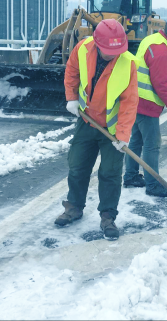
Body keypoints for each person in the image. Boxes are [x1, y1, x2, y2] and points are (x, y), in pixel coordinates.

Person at [55, 19, 138, 241]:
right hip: (86, 120)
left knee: (110, 173)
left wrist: (122, 136)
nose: (113, 55)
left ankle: (108, 216)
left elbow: (129, 102)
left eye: (117, 50)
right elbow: (72, 71)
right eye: (109, 51)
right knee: (77, 166)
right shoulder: (82, 48)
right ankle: (73, 207)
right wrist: (71, 98)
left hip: (111, 130)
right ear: (97, 43)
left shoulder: (128, 63)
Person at [123, 13, 167, 197]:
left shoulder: (152, 39)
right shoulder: (162, 51)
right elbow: (161, 86)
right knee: (152, 145)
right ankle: (153, 184)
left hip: (136, 99)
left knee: (136, 140)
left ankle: (130, 176)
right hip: (148, 104)